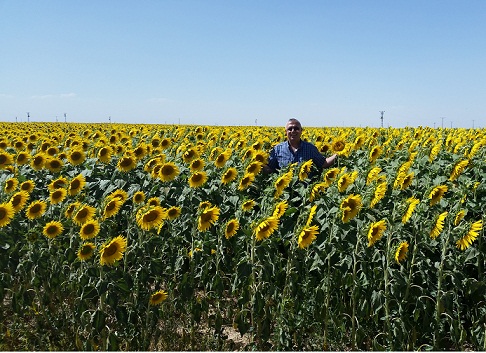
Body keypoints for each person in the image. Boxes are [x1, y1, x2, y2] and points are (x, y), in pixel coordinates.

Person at [263, 118, 337, 175]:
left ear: (301, 131)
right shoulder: (277, 149)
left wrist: (338, 154)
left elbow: (323, 163)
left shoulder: (310, 148)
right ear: (286, 132)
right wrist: (258, 163)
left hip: (305, 191)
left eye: (296, 128)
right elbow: (270, 169)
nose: (293, 131)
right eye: (290, 129)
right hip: (285, 192)